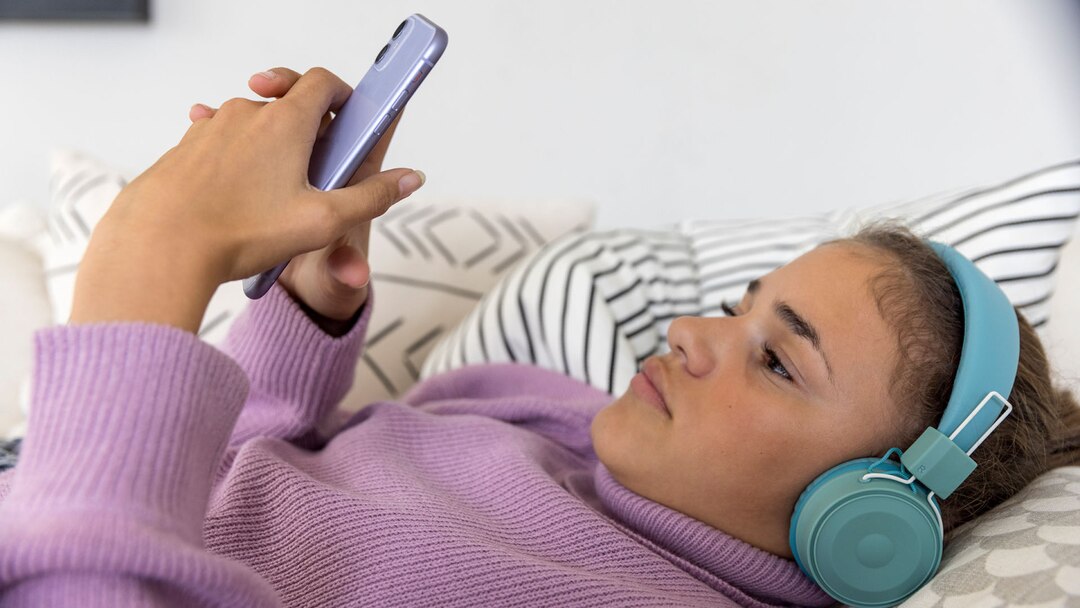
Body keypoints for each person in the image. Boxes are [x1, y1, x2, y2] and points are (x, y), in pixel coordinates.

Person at [0, 66, 1076, 607]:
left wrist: (146, 271)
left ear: (869, 519)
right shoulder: (549, 409)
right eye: (743, 303)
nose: (694, 332)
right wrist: (310, 310)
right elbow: (253, 459)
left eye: (778, 358)